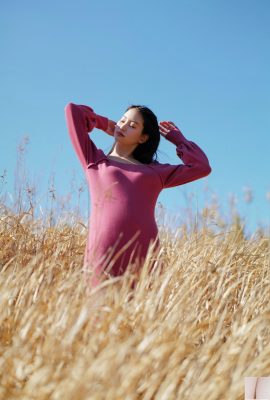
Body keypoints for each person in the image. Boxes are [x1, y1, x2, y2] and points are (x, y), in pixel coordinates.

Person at [64, 102, 212, 291]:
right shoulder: (94, 159)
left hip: (145, 250)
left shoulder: (155, 171)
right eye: (122, 120)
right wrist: (105, 124)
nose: (124, 126)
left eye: (132, 126)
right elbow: (72, 111)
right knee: (100, 311)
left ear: (143, 138)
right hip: (103, 247)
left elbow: (201, 167)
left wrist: (179, 140)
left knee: (141, 314)